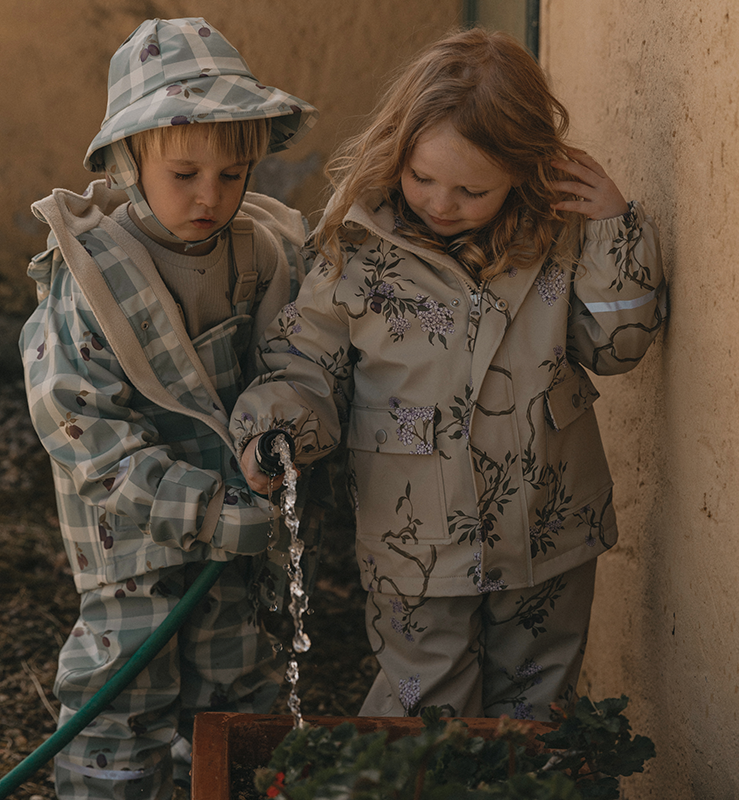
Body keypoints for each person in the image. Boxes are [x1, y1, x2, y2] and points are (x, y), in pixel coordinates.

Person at [231, 27, 666, 722]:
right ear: (396, 150)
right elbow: (304, 359)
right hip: (415, 538)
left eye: (472, 189)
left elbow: (617, 347)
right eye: (422, 178)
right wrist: (276, 428)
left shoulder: (557, 237)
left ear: (523, 172)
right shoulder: (358, 249)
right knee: (423, 709)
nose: (440, 203)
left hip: (549, 529)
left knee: (536, 710)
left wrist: (613, 228)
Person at [19, 17, 319, 799]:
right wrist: (205, 506)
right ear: (128, 159)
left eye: (232, 174)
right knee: (122, 695)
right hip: (131, 541)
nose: (210, 197)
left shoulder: (263, 252)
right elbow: (83, 429)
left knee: (233, 684)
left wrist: (275, 437)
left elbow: (294, 358)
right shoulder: (89, 274)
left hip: (236, 528)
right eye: (184, 173)